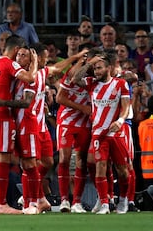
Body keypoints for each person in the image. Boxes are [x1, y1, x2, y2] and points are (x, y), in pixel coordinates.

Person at [0, 34, 38, 215]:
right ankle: (2, 203)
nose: (19, 58)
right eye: (18, 54)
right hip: (3, 115)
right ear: (15, 50)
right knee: (4, 160)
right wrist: (35, 62)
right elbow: (30, 78)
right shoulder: (9, 63)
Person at [72, 50, 131, 214]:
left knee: (122, 171)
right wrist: (89, 63)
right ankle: (104, 202)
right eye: (95, 68)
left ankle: (124, 200)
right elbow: (74, 79)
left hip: (115, 133)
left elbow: (126, 107)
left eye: (99, 68)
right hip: (98, 133)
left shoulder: (120, 84)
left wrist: (120, 121)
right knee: (100, 166)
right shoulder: (91, 83)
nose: (97, 71)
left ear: (109, 68)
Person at [55, 55, 92, 213]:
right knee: (64, 160)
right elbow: (59, 98)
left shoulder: (95, 78)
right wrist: (82, 108)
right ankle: (64, 200)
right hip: (66, 121)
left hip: (84, 123)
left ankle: (77, 201)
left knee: (81, 162)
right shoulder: (71, 75)